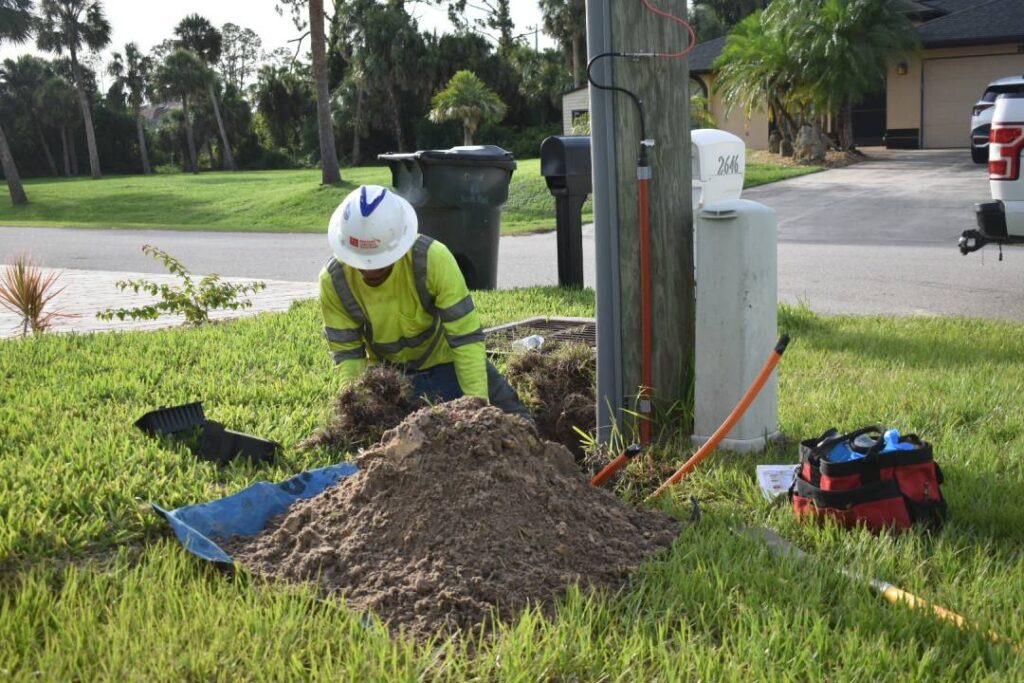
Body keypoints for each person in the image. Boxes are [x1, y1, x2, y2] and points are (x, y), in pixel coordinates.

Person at [318, 184, 531, 419]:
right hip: (393, 380)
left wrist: (477, 407)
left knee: (517, 420)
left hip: (450, 364)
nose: (370, 270)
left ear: (400, 245)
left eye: (380, 262)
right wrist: (353, 411)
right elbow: (348, 354)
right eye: (361, 261)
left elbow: (465, 338)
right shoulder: (335, 280)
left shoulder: (432, 259)